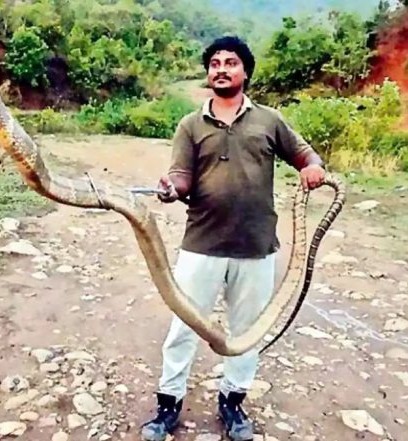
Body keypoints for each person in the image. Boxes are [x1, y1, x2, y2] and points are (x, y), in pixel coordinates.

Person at [139, 36, 326, 441]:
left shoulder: (269, 120)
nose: (222, 68)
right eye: (215, 63)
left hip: (256, 247)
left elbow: (306, 155)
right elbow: (182, 179)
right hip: (201, 246)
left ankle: (233, 403)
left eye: (231, 62)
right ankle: (168, 405)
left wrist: (313, 167)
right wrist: (171, 188)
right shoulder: (190, 125)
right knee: (183, 329)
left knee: (246, 333)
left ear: (245, 72)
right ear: (209, 73)